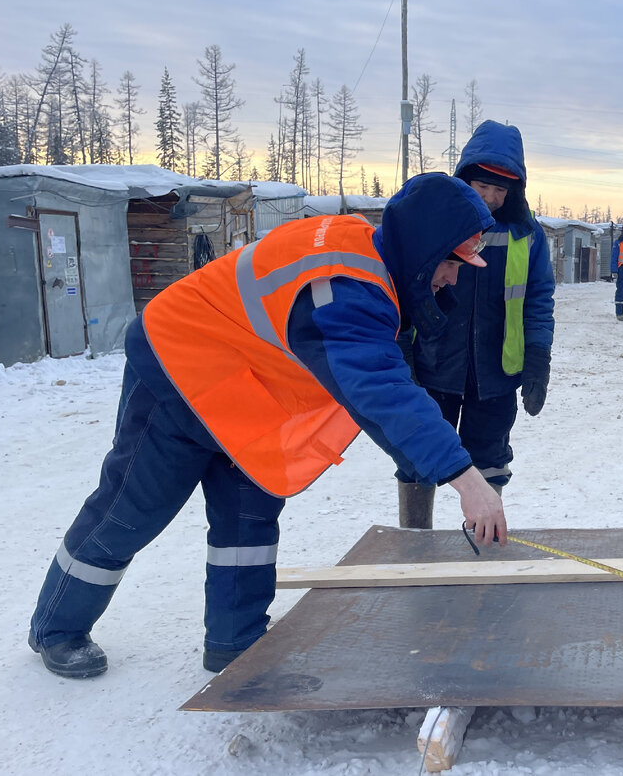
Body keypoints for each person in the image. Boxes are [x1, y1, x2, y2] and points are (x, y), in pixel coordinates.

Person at [28, 173, 507, 680]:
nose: (454, 279)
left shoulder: (373, 259)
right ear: (427, 248)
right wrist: (466, 478)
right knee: (133, 508)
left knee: (249, 518)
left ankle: (236, 645)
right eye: (453, 265)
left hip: (247, 394)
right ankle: (57, 629)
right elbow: (381, 391)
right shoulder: (341, 288)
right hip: (180, 369)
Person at [395, 121, 555, 528]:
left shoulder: (527, 235)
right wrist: (403, 346)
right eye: (482, 186)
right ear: (464, 178)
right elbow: (403, 282)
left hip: (497, 372)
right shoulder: (436, 221)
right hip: (433, 365)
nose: (491, 197)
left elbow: (538, 300)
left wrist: (537, 358)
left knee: (490, 457)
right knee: (420, 453)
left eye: (500, 190)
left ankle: (483, 545)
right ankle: (415, 540)